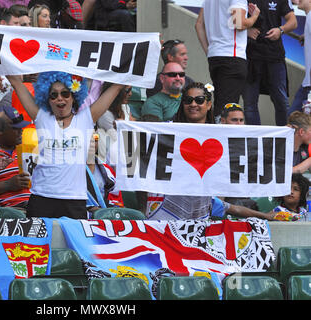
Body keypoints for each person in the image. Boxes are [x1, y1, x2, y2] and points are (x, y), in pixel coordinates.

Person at [146, 82, 276, 221]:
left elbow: (227, 206)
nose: (193, 104)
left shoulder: (220, 137)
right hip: (163, 216)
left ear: (208, 105)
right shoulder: (165, 131)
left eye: (199, 100)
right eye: (188, 100)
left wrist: (286, 132)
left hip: (199, 221)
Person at [7, 71, 124, 219]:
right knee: (38, 243)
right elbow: (15, 82)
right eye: (53, 95)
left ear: (74, 97)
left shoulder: (86, 118)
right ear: (47, 99)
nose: (59, 99)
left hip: (74, 200)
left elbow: (116, 87)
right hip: (42, 198)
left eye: (65, 94)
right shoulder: (41, 117)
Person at [195, 0, 260, 121]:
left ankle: (217, 135)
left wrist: (210, 51)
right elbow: (239, 23)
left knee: (221, 105)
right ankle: (219, 138)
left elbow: (199, 25)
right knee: (227, 109)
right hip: (232, 56)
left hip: (216, 56)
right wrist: (255, 16)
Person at [242, 0, 297, 126]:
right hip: (250, 56)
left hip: (274, 56)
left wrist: (280, 30)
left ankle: (283, 140)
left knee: (281, 101)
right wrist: (245, 31)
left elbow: (293, 22)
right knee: (250, 104)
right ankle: (255, 142)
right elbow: (230, 21)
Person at [0, 105, 31, 209]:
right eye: (16, 128)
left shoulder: (27, 147)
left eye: (22, 127)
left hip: (35, 207)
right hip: (6, 212)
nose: (21, 131)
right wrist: (8, 185)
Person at [86, 131, 123, 218]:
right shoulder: (70, 170)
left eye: (95, 140)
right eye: (87, 140)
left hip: (104, 219)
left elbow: (117, 201)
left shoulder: (107, 171)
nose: (92, 144)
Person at [96, 83, 133, 168]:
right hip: (110, 162)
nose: (130, 94)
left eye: (131, 90)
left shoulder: (126, 108)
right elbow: (119, 139)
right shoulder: (104, 113)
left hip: (126, 157)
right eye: (127, 91)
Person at [289, 0, 311, 116]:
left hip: (309, 84)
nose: (297, 1)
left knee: (293, 121)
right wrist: (306, 36)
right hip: (306, 83)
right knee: (293, 120)